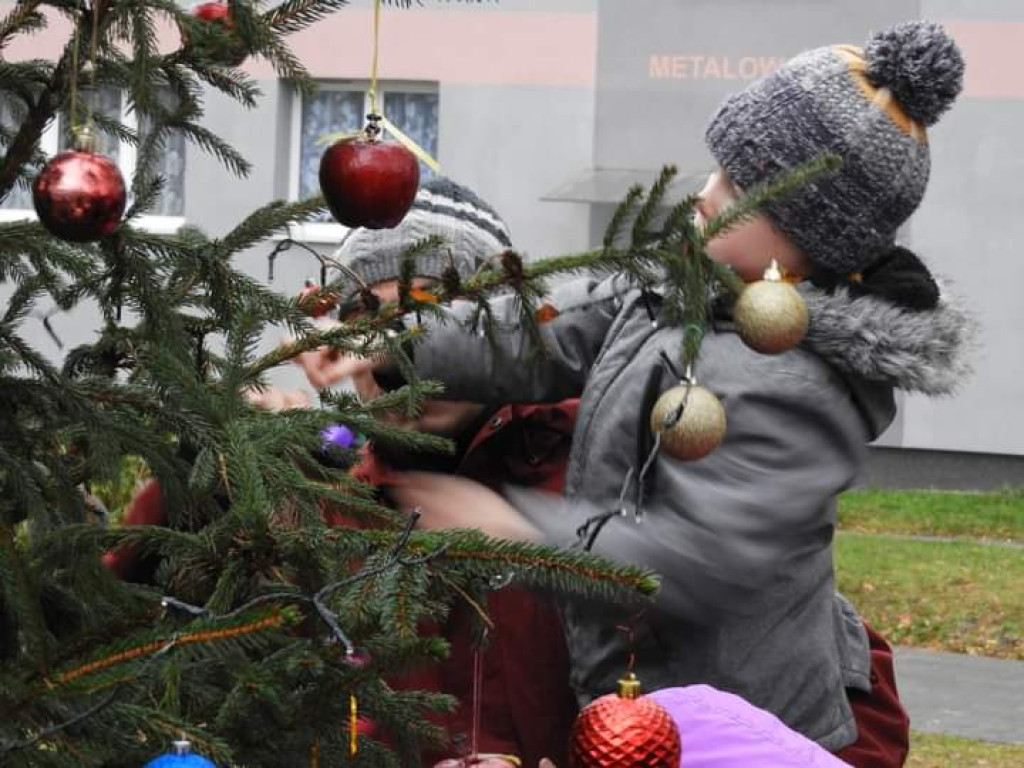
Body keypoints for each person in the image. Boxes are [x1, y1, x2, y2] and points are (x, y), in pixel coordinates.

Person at [357, 21, 973, 767]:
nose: (705, 196)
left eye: (741, 188)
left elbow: (701, 556)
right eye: (718, 170)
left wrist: (517, 530)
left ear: (812, 238)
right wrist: (403, 349)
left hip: (742, 726)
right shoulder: (674, 290)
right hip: (642, 701)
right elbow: (549, 332)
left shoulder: (798, 384)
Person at [296, 177, 579, 768]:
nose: (394, 358)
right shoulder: (328, 503)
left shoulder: (589, 462)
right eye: (368, 323)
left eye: (427, 318)